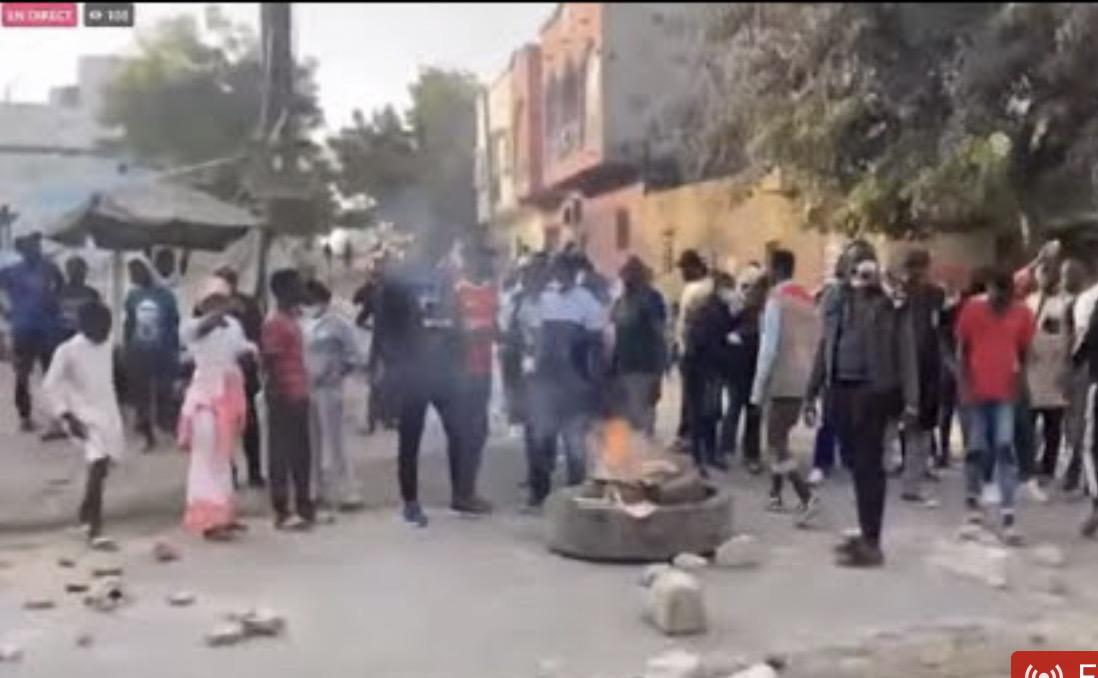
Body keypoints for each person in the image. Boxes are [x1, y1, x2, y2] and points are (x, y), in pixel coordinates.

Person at [805, 240, 918, 567]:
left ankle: (872, 541)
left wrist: (911, 401)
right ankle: (867, 532)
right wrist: (812, 392)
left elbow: (906, 351)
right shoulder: (835, 299)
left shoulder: (890, 302)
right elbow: (825, 345)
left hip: (874, 391)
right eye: (854, 264)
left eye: (866, 263)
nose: (860, 270)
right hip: (839, 389)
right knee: (855, 463)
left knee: (869, 465)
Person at [374, 240, 466, 526]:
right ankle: (411, 502)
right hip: (411, 372)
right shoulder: (395, 283)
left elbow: (456, 322)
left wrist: (457, 359)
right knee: (410, 439)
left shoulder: (444, 280)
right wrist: (391, 366)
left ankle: (461, 494)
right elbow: (383, 328)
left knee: (459, 432)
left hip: (442, 371)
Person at [956, 269, 1035, 545]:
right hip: (976, 391)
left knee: (1004, 449)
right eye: (994, 295)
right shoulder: (972, 311)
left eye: (1004, 297)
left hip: (1006, 392)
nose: (998, 302)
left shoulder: (1022, 314)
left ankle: (1008, 514)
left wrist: (1020, 385)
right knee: (976, 450)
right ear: (988, 290)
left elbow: (1024, 352)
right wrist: (965, 385)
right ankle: (973, 506)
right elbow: (962, 349)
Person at [527, 253, 607, 507]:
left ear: (573, 274)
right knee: (541, 436)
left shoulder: (586, 302)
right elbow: (535, 337)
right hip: (546, 380)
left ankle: (575, 494)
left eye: (564, 272)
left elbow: (597, 343)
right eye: (556, 272)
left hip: (575, 382)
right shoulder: (544, 299)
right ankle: (539, 492)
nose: (559, 277)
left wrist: (594, 380)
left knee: (574, 441)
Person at [178, 278, 255, 541]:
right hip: (205, 400)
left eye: (222, 300)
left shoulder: (233, 326)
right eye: (213, 301)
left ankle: (224, 514)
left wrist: (253, 353)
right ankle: (207, 519)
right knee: (206, 459)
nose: (218, 306)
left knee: (223, 459)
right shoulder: (191, 326)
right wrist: (218, 315)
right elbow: (198, 332)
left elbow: (241, 349)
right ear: (203, 304)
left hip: (229, 397)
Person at [42, 301, 124, 544]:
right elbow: (50, 386)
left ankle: (85, 514)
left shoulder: (109, 346)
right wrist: (66, 415)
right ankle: (94, 525)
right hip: (82, 416)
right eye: (101, 326)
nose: (105, 331)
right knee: (97, 463)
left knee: (103, 466)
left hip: (108, 412)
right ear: (85, 325)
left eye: (108, 326)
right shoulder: (67, 351)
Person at [751, 249, 820, 522]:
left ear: (775, 269)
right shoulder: (808, 301)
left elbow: (768, 349)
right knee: (781, 437)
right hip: (804, 378)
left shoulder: (776, 301)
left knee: (776, 442)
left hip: (780, 379)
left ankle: (805, 495)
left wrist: (757, 389)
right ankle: (775, 494)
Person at [302, 279, 364, 516]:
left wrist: (337, 372)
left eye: (311, 301)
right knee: (312, 442)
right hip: (307, 388)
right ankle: (316, 490)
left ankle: (348, 491)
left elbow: (354, 356)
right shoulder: (302, 323)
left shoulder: (338, 324)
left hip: (329, 389)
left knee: (335, 441)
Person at [261, 269, 315, 531]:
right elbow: (270, 361)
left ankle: (304, 506)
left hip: (299, 391)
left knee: (301, 453)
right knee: (281, 453)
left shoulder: (291, 318)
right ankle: (282, 509)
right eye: (296, 286)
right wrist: (278, 393)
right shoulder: (275, 323)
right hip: (284, 394)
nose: (301, 290)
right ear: (283, 291)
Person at [896, 249, 946, 507]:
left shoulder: (930, 295)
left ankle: (909, 478)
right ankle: (911, 482)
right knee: (920, 427)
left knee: (914, 426)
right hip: (921, 364)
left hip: (912, 365)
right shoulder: (927, 295)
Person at [0, 232, 63, 432]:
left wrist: (55, 304)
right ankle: (25, 417)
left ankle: (56, 416)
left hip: (47, 328)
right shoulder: (11, 271)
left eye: (37, 246)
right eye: (30, 247)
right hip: (23, 328)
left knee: (51, 373)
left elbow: (61, 286)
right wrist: (5, 311)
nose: (35, 250)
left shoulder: (49, 267)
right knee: (22, 374)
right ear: (22, 250)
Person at [453, 248, 498, 514]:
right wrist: (476, 335)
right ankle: (462, 493)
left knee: (478, 433)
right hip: (462, 373)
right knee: (465, 433)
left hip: (484, 371)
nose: (486, 267)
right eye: (482, 261)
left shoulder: (491, 294)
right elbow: (452, 333)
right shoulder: (458, 293)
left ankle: (467, 490)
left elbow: (496, 330)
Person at [213, 266, 266, 488]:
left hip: (245, 373)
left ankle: (254, 471)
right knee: (225, 425)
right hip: (220, 375)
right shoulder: (209, 307)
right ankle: (230, 471)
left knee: (250, 424)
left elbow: (258, 335)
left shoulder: (248, 304)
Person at [123, 257, 180, 451]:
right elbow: (129, 324)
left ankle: (170, 429)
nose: (133, 277)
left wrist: (175, 350)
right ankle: (148, 436)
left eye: (136, 273)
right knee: (142, 396)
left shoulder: (165, 296)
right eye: (131, 274)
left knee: (164, 392)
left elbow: (174, 324)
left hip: (162, 351)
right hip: (139, 352)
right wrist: (126, 348)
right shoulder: (132, 296)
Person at [1023, 257, 1072, 486]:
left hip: (1054, 368)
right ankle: (1028, 463)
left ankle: (1049, 466)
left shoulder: (1064, 305)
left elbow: (1067, 337)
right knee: (1028, 421)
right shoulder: (1028, 303)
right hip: (1031, 369)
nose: (1044, 278)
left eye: (1048, 273)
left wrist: (1066, 367)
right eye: (1040, 273)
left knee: (1053, 423)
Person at [682, 271, 736, 473]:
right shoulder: (709, 310)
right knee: (701, 414)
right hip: (701, 368)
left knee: (711, 413)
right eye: (728, 288)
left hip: (707, 367)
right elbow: (705, 341)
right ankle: (699, 458)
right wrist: (727, 348)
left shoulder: (717, 308)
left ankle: (709, 455)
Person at [609, 256, 667, 436]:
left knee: (638, 422)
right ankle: (628, 458)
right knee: (626, 422)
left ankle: (640, 457)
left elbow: (659, 335)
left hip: (642, 367)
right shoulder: (621, 301)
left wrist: (659, 369)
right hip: (625, 367)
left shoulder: (650, 300)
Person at [722, 264, 766, 473]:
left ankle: (739, 452)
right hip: (744, 368)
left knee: (744, 410)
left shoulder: (759, 313)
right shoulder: (742, 311)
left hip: (749, 368)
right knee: (743, 410)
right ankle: (742, 453)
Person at [674, 250, 714, 448]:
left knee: (694, 398)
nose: (682, 272)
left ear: (696, 267)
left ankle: (691, 437)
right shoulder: (695, 287)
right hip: (689, 349)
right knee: (690, 397)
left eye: (685, 268)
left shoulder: (701, 288)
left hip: (695, 351)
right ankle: (689, 435)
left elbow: (692, 322)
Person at [56, 256, 101, 341]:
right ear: (68, 272)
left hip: (85, 336)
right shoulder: (59, 292)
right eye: (75, 271)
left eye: (81, 270)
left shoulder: (92, 293)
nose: (79, 274)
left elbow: (98, 317)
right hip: (63, 335)